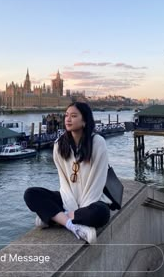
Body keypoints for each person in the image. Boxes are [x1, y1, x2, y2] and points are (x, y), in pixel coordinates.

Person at [24, 102, 111, 244]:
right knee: (31, 194)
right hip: (68, 198)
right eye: (66, 116)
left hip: (91, 199)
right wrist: (71, 208)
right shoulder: (59, 145)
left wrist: (78, 209)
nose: (68, 119)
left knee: (101, 213)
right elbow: (63, 181)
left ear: (84, 121)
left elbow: (97, 181)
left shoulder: (97, 143)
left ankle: (56, 217)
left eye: (74, 116)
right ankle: (71, 224)